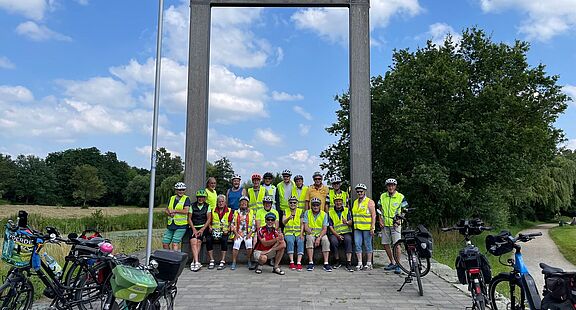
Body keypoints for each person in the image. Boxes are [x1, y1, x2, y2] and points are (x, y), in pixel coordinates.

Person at [378, 178, 408, 274]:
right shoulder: (383, 196)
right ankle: (392, 262)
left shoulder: (400, 196)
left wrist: (399, 219)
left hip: (395, 224)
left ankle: (398, 265)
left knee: (397, 244)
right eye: (389, 185)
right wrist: (380, 220)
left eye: (392, 185)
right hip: (385, 224)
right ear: (387, 186)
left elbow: (405, 209)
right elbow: (379, 209)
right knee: (385, 243)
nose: (391, 187)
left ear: (395, 186)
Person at [352, 183, 376, 271]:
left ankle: (369, 263)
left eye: (361, 191)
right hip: (357, 227)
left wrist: (372, 227)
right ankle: (360, 263)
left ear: (364, 192)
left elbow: (373, 215)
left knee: (367, 245)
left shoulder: (369, 202)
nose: (359, 193)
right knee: (357, 244)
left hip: (366, 228)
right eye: (358, 192)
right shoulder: (355, 202)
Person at [303, 197, 332, 272]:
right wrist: (311, 232)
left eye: (317, 205)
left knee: (325, 240)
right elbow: (306, 227)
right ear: (311, 205)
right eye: (314, 205)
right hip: (311, 233)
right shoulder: (307, 213)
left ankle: (326, 263)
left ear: (320, 205)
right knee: (309, 239)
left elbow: (325, 229)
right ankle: (311, 262)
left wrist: (319, 238)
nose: (315, 207)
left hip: (321, 234)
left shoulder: (324, 214)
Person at [328, 193, 354, 272]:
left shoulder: (347, 210)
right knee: (333, 241)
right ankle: (337, 261)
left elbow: (351, 222)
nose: (338, 203)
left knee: (348, 240)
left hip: (346, 232)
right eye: (336, 201)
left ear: (342, 202)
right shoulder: (330, 212)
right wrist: (337, 235)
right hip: (335, 233)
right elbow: (330, 226)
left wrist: (346, 222)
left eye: (339, 201)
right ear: (334, 202)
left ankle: (348, 262)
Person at [188, 189, 212, 272]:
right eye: (199, 197)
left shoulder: (207, 206)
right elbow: (189, 218)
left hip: (203, 227)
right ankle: (197, 262)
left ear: (204, 198)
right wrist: (194, 229)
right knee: (194, 241)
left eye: (202, 197)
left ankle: (194, 262)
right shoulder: (192, 206)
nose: (200, 199)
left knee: (198, 242)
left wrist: (202, 229)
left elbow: (209, 219)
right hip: (194, 227)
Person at [162, 182, 190, 251]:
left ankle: (174, 260)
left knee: (175, 243)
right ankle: (169, 258)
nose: (181, 191)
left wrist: (175, 211)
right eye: (179, 190)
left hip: (181, 225)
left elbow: (186, 211)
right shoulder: (171, 198)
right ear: (176, 190)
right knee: (165, 242)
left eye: (183, 190)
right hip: (171, 224)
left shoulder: (186, 199)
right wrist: (169, 213)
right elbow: (166, 209)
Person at [230, 196, 255, 270]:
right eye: (242, 202)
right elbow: (232, 224)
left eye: (245, 202)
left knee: (249, 244)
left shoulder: (251, 212)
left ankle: (249, 261)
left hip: (248, 233)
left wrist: (250, 233)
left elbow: (254, 224)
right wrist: (236, 234)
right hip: (238, 233)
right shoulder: (236, 212)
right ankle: (234, 262)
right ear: (239, 203)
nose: (244, 203)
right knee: (236, 244)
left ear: (247, 204)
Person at [209, 194, 233, 270]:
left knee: (224, 240)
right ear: (217, 202)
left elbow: (231, 222)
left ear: (225, 202)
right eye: (219, 202)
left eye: (222, 201)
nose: (221, 203)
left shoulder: (229, 210)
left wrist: (228, 229)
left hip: (224, 232)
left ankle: (222, 260)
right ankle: (211, 260)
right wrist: (210, 227)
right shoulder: (213, 210)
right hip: (214, 231)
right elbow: (209, 221)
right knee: (208, 239)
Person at [282, 196, 304, 271]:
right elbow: (283, 222)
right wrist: (288, 218)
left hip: (298, 233)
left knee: (301, 241)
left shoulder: (300, 211)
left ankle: (299, 262)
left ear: (297, 203)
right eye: (291, 202)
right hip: (288, 233)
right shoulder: (285, 211)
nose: (292, 204)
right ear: (288, 203)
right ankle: (291, 262)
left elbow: (302, 224)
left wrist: (301, 234)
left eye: (294, 202)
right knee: (290, 241)